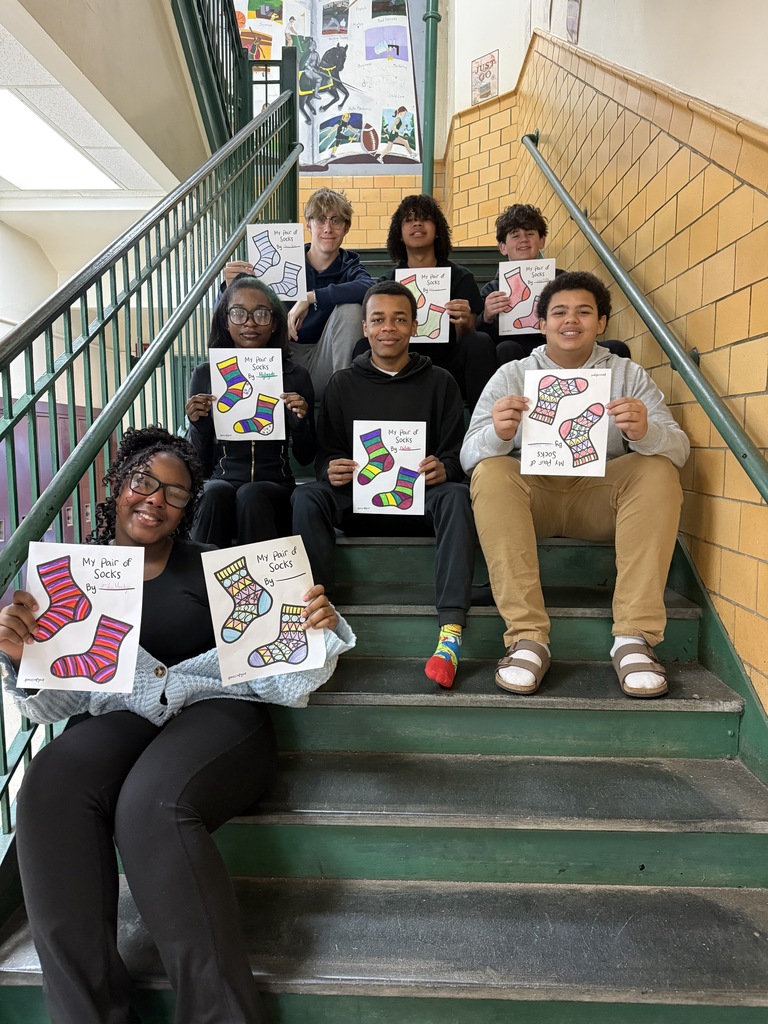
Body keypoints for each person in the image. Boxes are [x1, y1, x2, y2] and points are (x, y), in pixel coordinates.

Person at [0, 426, 355, 1024]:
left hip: (220, 714)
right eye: (144, 482)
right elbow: (54, 704)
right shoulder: (65, 579)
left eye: (176, 491)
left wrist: (315, 630)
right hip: (121, 714)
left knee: (151, 806)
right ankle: (89, 1014)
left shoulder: (217, 570)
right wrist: (19, 659)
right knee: (49, 786)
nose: (156, 499)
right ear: (116, 488)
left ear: (189, 507)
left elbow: (281, 675)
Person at [461, 271, 689, 699]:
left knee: (658, 468)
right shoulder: (513, 374)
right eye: (559, 312)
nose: (571, 320)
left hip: (601, 498)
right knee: (491, 471)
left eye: (584, 312)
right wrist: (498, 434)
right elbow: (467, 455)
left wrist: (644, 433)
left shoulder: (628, 374)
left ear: (601, 322)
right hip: (533, 499)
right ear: (542, 322)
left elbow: (678, 448)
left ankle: (633, 637)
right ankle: (527, 637)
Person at [292, 280, 476, 689]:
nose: (387, 328)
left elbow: (455, 455)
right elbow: (326, 454)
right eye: (377, 319)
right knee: (307, 495)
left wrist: (444, 468)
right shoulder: (341, 384)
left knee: (457, 497)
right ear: (364, 327)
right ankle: (320, 620)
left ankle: (450, 633)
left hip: (421, 505)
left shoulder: (441, 382)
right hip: (358, 504)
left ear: (414, 326)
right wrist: (330, 470)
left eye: (398, 319)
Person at [187, 274, 315, 548]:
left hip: (276, 486)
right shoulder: (205, 375)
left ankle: (262, 584)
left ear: (275, 323)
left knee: (251, 493)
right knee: (212, 492)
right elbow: (199, 464)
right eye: (238, 313)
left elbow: (306, 457)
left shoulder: (295, 376)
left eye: (261, 314)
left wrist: (300, 423)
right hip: (223, 479)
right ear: (225, 320)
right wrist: (198, 425)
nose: (249, 322)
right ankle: (198, 584)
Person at [223, 189, 374, 398]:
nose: (328, 228)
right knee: (247, 311)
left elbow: (370, 288)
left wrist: (312, 297)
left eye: (336, 220)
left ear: (346, 227)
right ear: (308, 224)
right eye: (321, 219)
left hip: (326, 360)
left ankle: (343, 400)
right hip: (282, 358)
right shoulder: (285, 261)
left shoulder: (350, 267)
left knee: (351, 310)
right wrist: (230, 287)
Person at [353, 194, 497, 412]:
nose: (417, 223)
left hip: (448, 366)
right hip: (400, 363)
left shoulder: (461, 278)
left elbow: (466, 339)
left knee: (479, 341)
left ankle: (483, 422)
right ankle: (366, 418)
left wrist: (465, 323)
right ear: (399, 234)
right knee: (363, 346)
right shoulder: (386, 283)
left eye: (425, 218)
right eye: (409, 220)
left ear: (437, 229)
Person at [478, 204, 631, 364]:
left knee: (617, 348)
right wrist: (487, 317)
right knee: (506, 348)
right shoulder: (493, 290)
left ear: (541, 241)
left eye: (530, 233)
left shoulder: (563, 280)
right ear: (503, 247)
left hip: (563, 343)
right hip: (518, 350)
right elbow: (485, 342)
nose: (523, 239)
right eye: (515, 236)